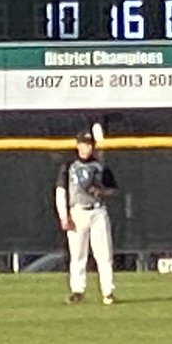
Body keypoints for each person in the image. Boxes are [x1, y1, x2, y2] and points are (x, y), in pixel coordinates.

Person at [55, 130, 118, 305]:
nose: (86, 147)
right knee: (77, 254)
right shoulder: (68, 166)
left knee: (104, 254)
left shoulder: (100, 165)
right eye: (83, 144)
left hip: (97, 211)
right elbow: (61, 191)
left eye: (89, 144)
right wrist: (64, 215)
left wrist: (100, 191)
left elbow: (112, 189)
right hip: (77, 212)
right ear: (78, 145)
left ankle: (108, 291)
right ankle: (77, 290)